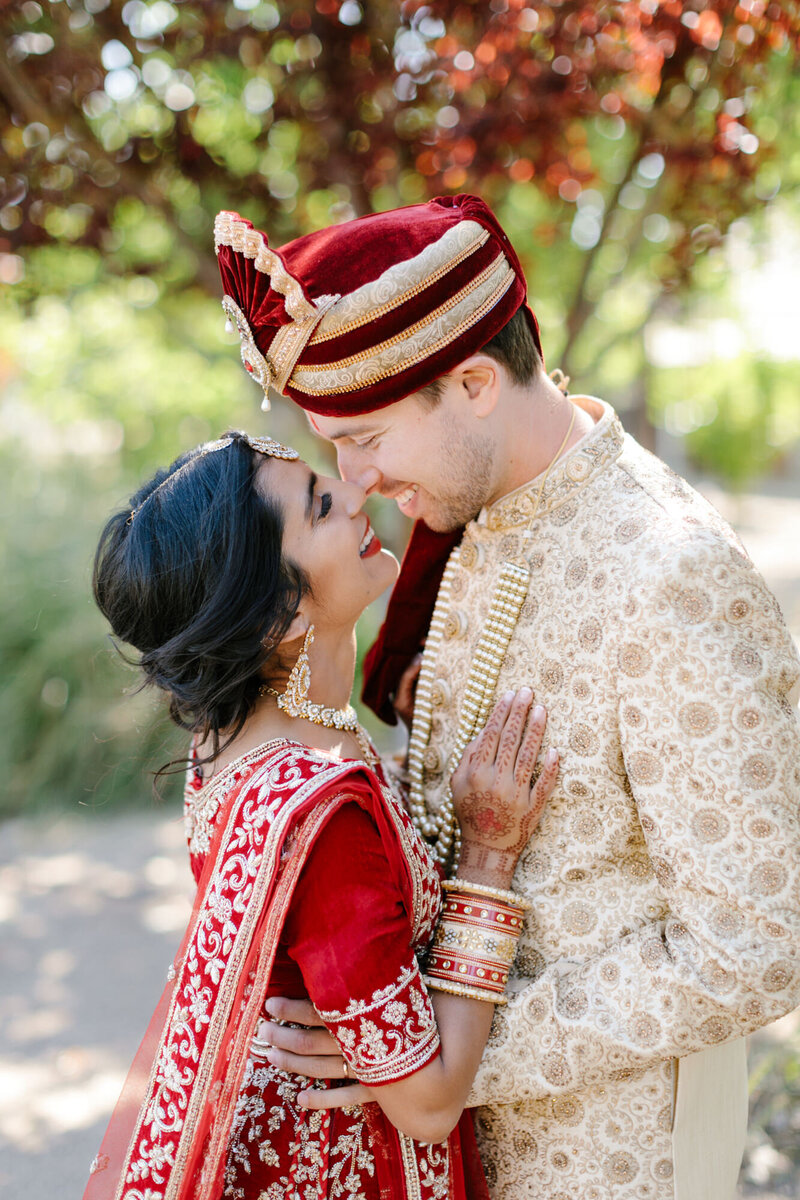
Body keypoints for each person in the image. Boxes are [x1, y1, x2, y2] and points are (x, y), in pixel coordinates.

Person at [214, 197, 800, 1200]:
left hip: (608, 1159)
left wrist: (423, 1056)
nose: (349, 484)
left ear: (475, 382)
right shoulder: (474, 520)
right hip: (453, 1148)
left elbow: (754, 947)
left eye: (363, 438)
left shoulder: (669, 577)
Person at [83, 429, 561, 1200]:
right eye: (319, 506)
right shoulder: (320, 816)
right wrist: (488, 856)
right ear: (279, 618)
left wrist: (369, 1035)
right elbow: (430, 1102)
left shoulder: (234, 738)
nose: (354, 491)